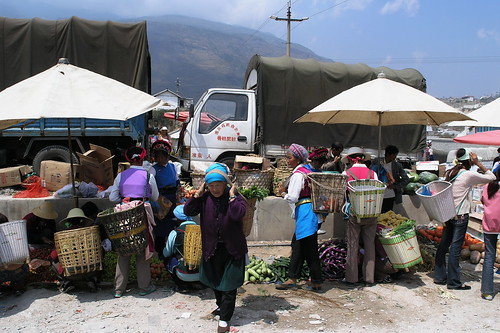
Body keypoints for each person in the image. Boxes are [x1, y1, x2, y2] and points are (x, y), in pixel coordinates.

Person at [183, 163, 247, 333]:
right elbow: (188, 209)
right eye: (211, 185)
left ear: (226, 184)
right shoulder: (204, 198)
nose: (215, 189)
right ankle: (221, 307)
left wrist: (233, 196)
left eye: (218, 185)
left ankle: (224, 321)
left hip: (232, 249)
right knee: (215, 282)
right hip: (212, 248)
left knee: (229, 285)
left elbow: (237, 214)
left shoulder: (236, 198)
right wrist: (199, 192)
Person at [434, 148, 496, 290]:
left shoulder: (450, 173)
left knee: (444, 245)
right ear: (469, 161)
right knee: (455, 248)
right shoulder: (467, 175)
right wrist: (479, 163)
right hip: (461, 216)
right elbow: (491, 177)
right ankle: (454, 282)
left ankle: (439, 276)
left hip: (449, 214)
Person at [109, 146, 158, 298]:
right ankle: (144, 287)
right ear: (142, 159)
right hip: (141, 214)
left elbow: (112, 197)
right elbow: (155, 197)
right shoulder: (148, 176)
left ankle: (119, 289)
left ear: (128, 160)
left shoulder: (120, 176)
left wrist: (125, 200)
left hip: (124, 216)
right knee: (142, 250)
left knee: (124, 251)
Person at [275, 144, 323, 292]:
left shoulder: (298, 175)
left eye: (289, 158)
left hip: (306, 213)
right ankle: (294, 278)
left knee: (309, 248)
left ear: (297, 159)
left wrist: (283, 193)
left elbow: (293, 197)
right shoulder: (308, 170)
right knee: (299, 246)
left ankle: (315, 281)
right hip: (312, 213)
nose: (287, 161)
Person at [342, 147, 378, 285]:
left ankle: (352, 278)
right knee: (370, 245)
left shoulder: (346, 173)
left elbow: (343, 194)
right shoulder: (373, 173)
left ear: (350, 160)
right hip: (371, 213)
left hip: (354, 214)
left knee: (352, 245)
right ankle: (369, 277)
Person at [51, 208, 98, 292]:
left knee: (54, 262)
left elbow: (54, 255)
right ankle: (91, 279)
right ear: (83, 220)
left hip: (70, 273)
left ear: (69, 221)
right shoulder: (90, 234)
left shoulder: (63, 236)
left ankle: (67, 281)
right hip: (91, 270)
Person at [163, 205, 202, 292]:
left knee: (168, 259)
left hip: (183, 273)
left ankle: (182, 285)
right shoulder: (202, 230)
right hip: (203, 273)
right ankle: (199, 283)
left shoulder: (176, 232)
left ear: (178, 219)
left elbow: (167, 253)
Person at [151, 139, 179, 258]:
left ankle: (171, 251)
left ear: (167, 156)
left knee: (171, 224)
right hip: (160, 199)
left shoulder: (173, 166)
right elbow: (150, 184)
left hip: (172, 198)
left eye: (163, 156)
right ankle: (160, 252)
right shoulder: (153, 169)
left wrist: (178, 197)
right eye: (158, 156)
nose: (161, 159)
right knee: (160, 226)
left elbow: (177, 182)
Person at [480, 167, 500, 300]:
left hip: (489, 224)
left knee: (489, 257)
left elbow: (483, 200)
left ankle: (487, 291)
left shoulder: (488, 186)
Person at [373, 145, 410, 213]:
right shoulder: (377, 161)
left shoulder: (397, 166)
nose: (395, 157)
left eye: (396, 155)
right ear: (387, 154)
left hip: (390, 195)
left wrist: (395, 186)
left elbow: (406, 180)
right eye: (393, 155)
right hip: (377, 194)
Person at [0, 213, 29, 296]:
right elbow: (26, 257)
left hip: (3, 274)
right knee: (23, 266)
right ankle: (18, 288)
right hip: (19, 271)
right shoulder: (16, 236)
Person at [307, 148, 329, 235]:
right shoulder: (305, 170)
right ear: (315, 162)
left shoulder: (319, 171)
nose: (320, 166)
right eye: (320, 164)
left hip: (318, 200)